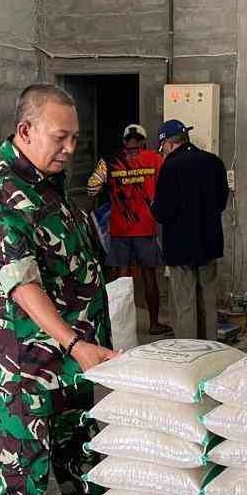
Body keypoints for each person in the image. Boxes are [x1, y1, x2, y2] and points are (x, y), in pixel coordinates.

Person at [0, 84, 118, 495]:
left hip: (72, 351)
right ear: (25, 130)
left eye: (74, 138)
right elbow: (22, 284)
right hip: (27, 357)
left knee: (78, 441)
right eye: (60, 137)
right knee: (22, 448)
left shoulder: (49, 185)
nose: (70, 148)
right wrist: (74, 343)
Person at [87, 123, 172, 336]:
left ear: (125, 141)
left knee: (122, 278)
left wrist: (112, 188)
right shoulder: (155, 159)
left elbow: (91, 188)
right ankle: (154, 324)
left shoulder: (110, 161)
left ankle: (121, 328)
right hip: (146, 228)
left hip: (120, 229)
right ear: (143, 140)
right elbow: (167, 186)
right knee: (149, 276)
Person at [150, 119, 229, 340]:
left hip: (181, 248)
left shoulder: (170, 167)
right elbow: (222, 202)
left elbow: (162, 212)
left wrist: (154, 206)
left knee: (185, 304)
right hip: (210, 244)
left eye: (163, 147)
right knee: (208, 302)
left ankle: (188, 351)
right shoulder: (214, 162)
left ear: (168, 143)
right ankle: (211, 348)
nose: (163, 152)